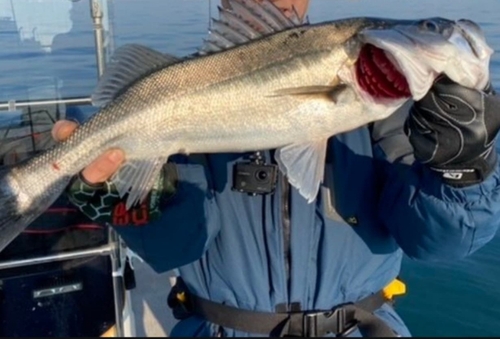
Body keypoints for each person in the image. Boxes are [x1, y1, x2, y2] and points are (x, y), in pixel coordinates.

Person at [51, 0, 500, 336]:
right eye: (426, 29)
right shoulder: (182, 89)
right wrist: (131, 200)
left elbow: (441, 241)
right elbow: (173, 248)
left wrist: (462, 167)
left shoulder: (393, 105)